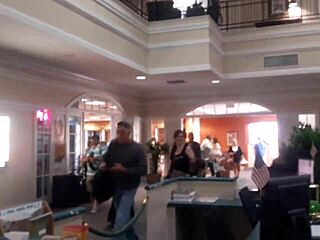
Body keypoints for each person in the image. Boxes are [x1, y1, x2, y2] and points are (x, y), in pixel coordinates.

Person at [102, 121, 146, 240]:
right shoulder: (113, 144)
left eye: (123, 132)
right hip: (116, 185)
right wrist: (104, 164)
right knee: (124, 215)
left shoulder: (137, 148)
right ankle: (133, 237)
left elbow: (143, 169)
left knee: (120, 217)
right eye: (118, 132)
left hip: (130, 186)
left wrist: (125, 170)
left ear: (129, 132)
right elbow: (107, 157)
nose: (120, 135)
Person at [82, 135, 104, 213]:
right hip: (89, 172)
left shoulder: (101, 148)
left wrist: (94, 159)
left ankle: (95, 205)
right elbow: (84, 158)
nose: (92, 142)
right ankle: (94, 203)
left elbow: (103, 158)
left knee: (96, 188)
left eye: (94, 140)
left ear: (98, 140)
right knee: (90, 189)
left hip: (97, 172)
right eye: (91, 140)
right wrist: (86, 159)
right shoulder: (88, 149)